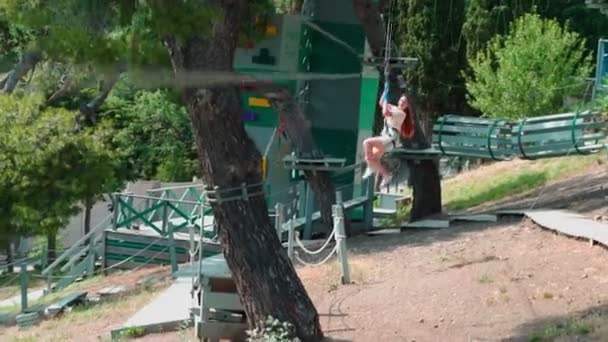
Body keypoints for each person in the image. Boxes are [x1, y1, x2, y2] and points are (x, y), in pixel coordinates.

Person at [362, 83, 414, 188]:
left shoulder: (401, 114)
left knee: (366, 142)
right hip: (385, 138)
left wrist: (386, 98)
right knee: (370, 158)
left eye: (404, 102)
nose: (402, 102)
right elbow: (382, 103)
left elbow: (385, 111)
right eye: (401, 100)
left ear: (407, 106)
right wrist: (386, 89)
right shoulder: (394, 107)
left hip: (390, 139)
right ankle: (382, 172)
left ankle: (378, 171)